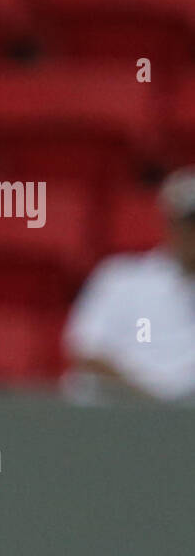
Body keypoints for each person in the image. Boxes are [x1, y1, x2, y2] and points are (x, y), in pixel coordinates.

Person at [63, 167, 195, 403]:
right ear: (170, 224)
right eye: (189, 223)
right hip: (122, 413)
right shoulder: (121, 277)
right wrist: (152, 404)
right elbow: (87, 352)